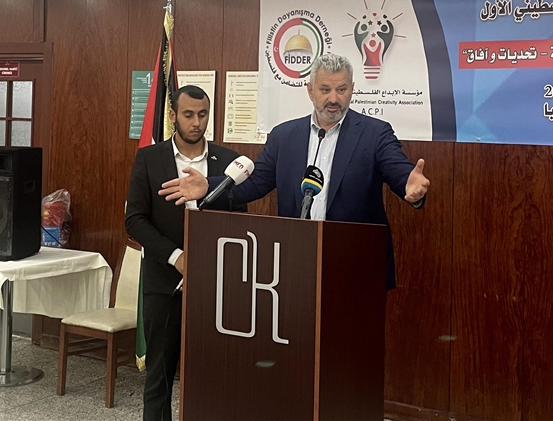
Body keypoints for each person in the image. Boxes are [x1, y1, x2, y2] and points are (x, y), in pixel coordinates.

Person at [158, 53, 429, 290]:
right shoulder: (284, 136)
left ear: (352, 89)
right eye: (325, 89)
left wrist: (410, 185)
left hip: (355, 265)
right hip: (295, 262)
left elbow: (398, 169)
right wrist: (210, 186)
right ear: (310, 90)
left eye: (342, 89)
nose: (333, 99)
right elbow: (256, 182)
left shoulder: (374, 133)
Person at [125, 85, 247, 421]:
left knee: (213, 375)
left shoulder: (228, 161)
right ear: (173, 116)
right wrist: (176, 256)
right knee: (159, 377)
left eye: (203, 115)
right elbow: (134, 220)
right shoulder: (150, 158)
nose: (196, 122)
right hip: (164, 284)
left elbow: (240, 216)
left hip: (215, 286)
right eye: (189, 115)